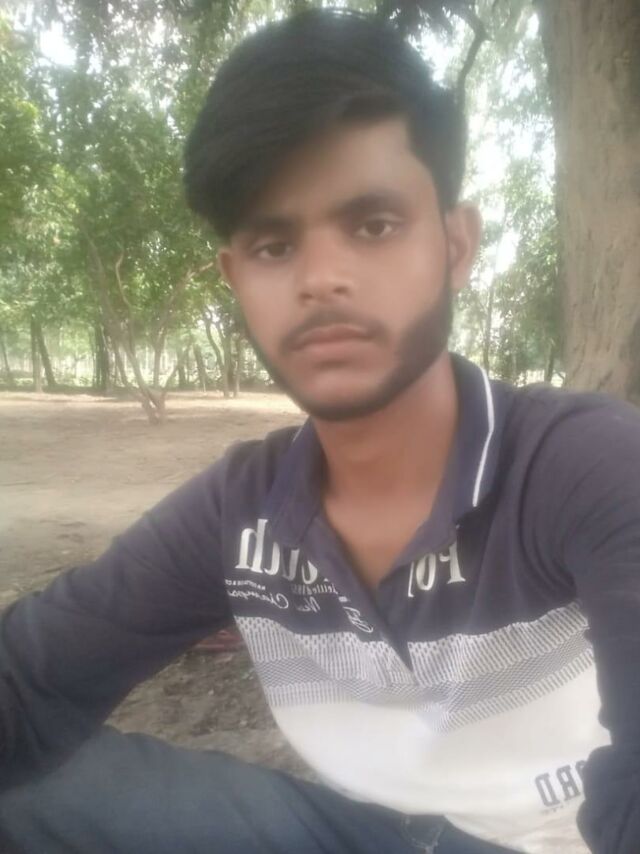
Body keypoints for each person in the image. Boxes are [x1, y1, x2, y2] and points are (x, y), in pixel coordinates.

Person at [0, 9, 639, 854]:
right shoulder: (242, 513)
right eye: (274, 245)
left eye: (373, 226)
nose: (321, 279)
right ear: (235, 277)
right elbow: (30, 677)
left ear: (455, 245)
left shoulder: (583, 468)